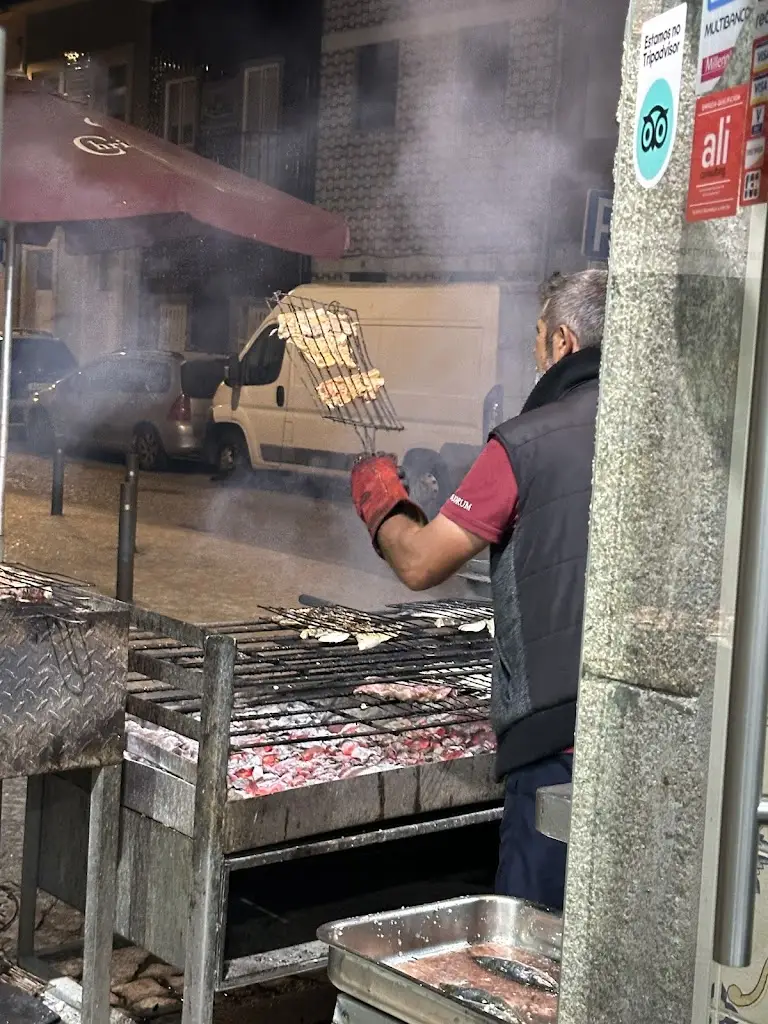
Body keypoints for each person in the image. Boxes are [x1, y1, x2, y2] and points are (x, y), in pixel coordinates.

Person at [350, 268, 608, 910]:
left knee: (532, 962)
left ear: (564, 344)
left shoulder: (525, 443)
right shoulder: (669, 439)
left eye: (539, 341)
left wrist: (383, 502)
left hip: (557, 751)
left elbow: (420, 562)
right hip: (650, 738)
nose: (536, 356)